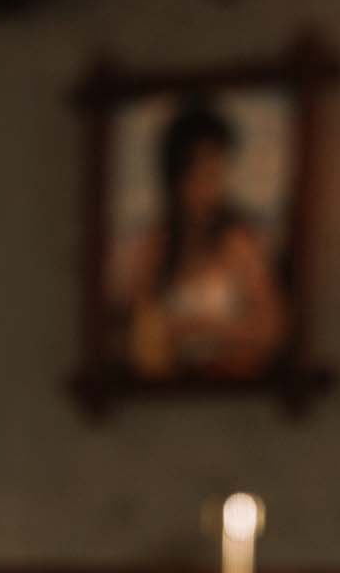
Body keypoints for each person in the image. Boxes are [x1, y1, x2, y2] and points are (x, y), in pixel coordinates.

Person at [112, 103, 288, 379]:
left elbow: (271, 331)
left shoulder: (238, 244)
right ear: (175, 178)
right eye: (197, 173)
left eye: (215, 172)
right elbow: (130, 329)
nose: (207, 187)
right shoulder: (155, 247)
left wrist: (200, 327)